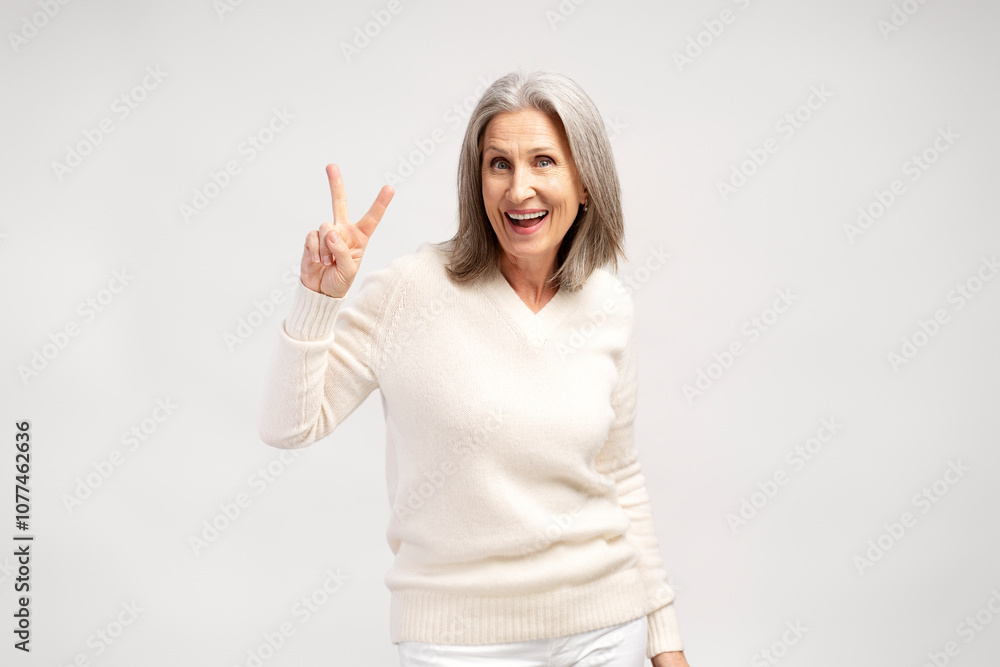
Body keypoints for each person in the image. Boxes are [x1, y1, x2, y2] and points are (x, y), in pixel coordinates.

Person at [258, 69, 691, 667]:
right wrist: (318, 298)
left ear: (585, 182)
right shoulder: (411, 291)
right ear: (476, 179)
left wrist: (664, 640)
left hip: (605, 631)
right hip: (456, 640)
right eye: (499, 164)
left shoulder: (609, 304)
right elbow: (289, 426)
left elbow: (620, 475)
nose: (519, 190)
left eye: (544, 162)